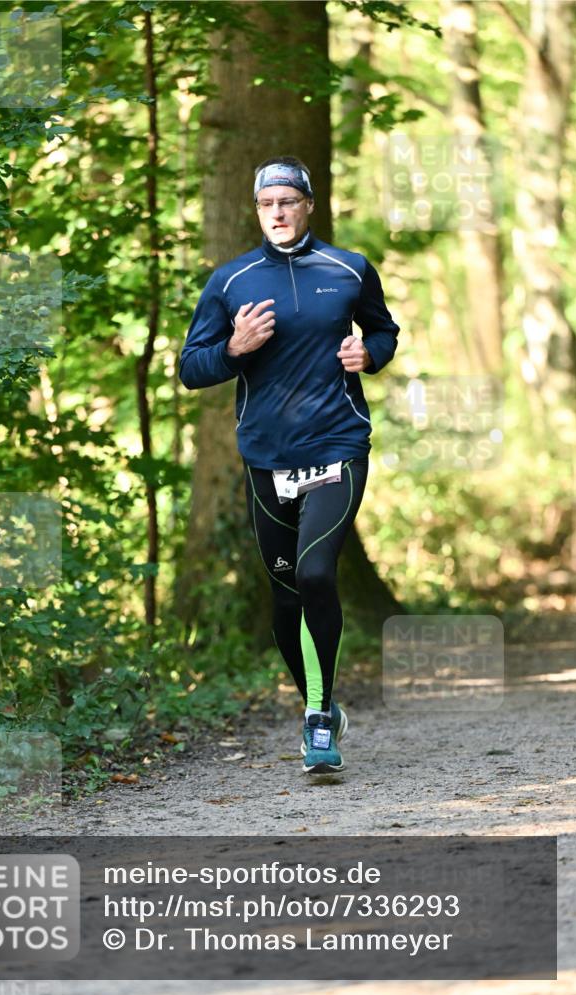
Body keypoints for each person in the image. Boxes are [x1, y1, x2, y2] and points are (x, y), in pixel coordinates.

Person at [179, 156, 399, 774]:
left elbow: (384, 331)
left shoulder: (349, 268)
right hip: (266, 458)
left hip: (337, 447)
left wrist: (369, 353)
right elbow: (191, 368)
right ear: (257, 211)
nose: (276, 213)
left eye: (287, 201)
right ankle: (320, 701)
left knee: (316, 573)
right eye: (266, 204)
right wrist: (233, 348)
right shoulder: (231, 281)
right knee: (284, 597)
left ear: (308, 205)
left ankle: (318, 722)